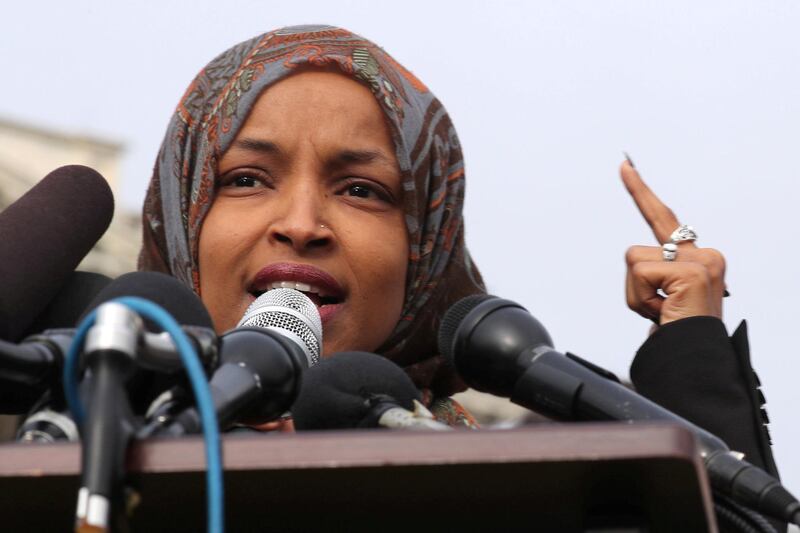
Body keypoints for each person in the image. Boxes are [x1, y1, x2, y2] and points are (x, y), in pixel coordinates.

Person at [137, 25, 777, 476]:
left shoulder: (538, 487)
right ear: (180, 216)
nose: (302, 225)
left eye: (362, 190)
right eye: (247, 179)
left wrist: (692, 357)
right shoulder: (66, 431)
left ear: (427, 252)